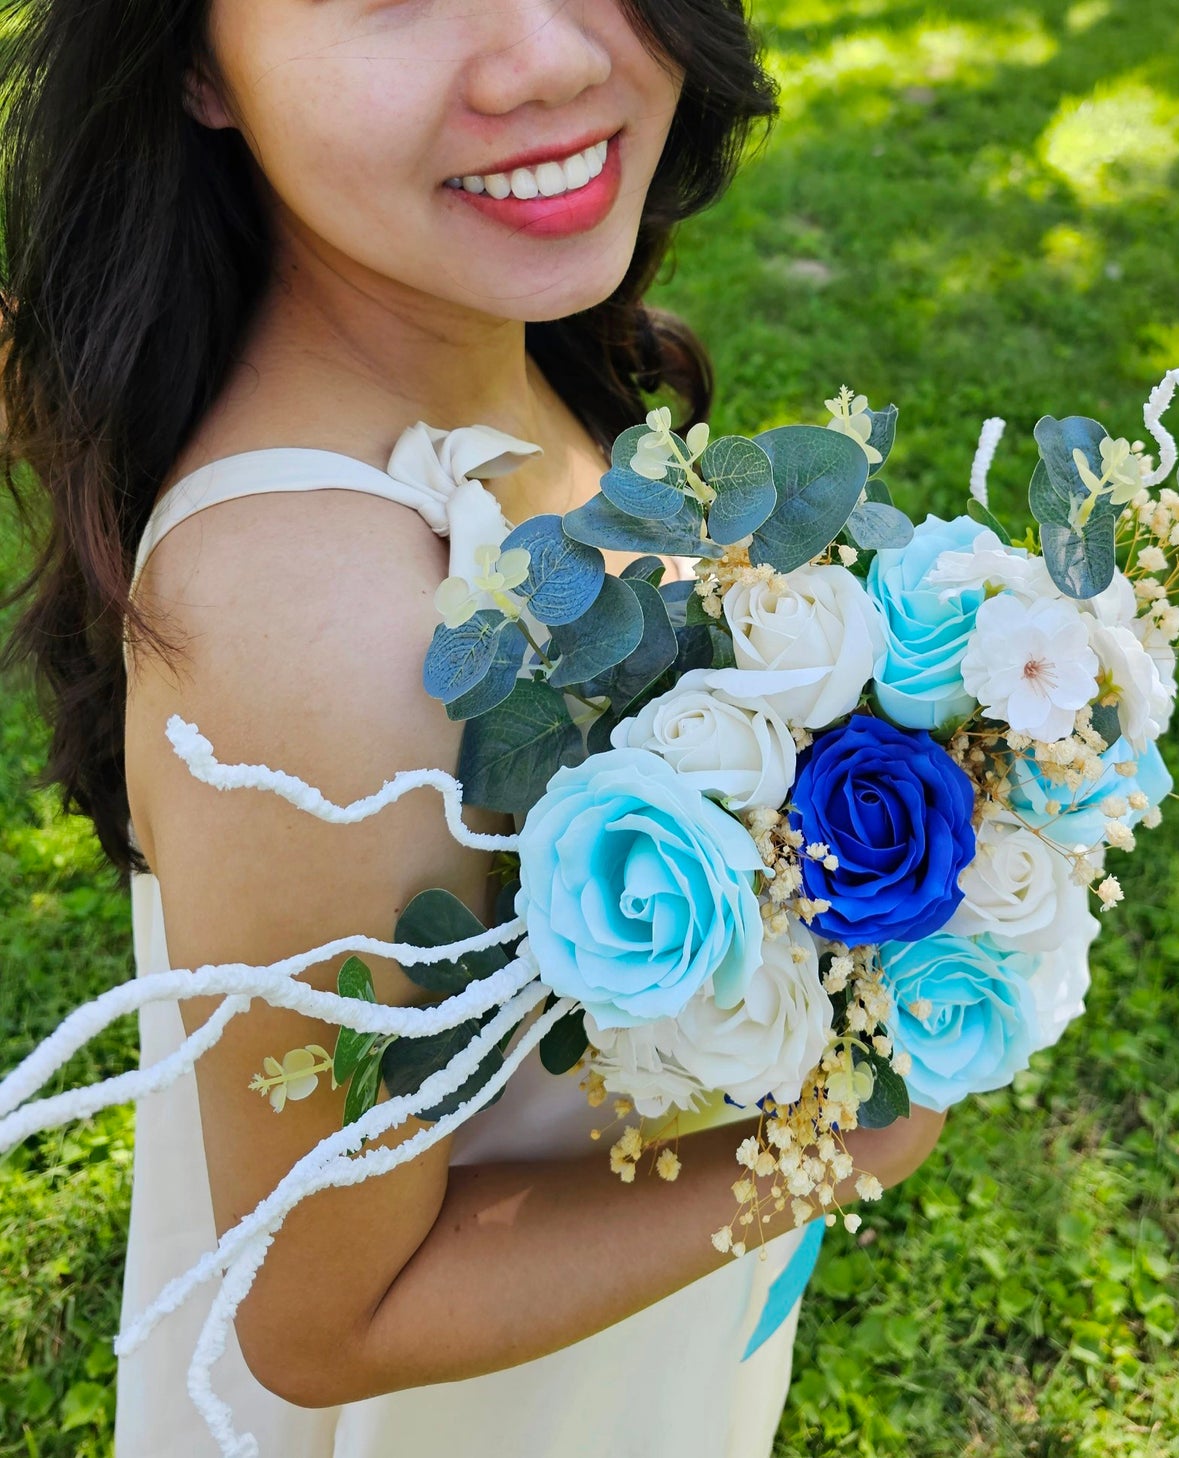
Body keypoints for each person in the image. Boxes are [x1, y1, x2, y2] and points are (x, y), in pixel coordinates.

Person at [0, 3, 945, 1455]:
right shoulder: (322, 623)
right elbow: (327, 1316)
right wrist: (844, 1137)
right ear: (193, 58)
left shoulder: (491, 350)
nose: (552, 54)